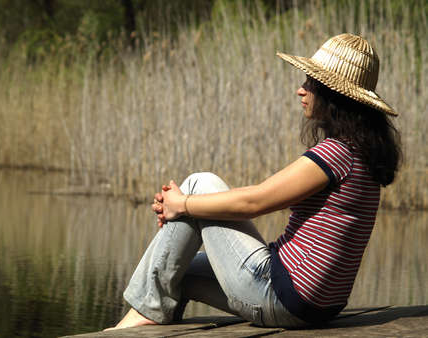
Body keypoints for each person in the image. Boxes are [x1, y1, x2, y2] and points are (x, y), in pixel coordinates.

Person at [106, 33, 402, 330]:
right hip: (316, 304)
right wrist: (182, 208)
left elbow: (254, 201)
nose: (300, 91)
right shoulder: (359, 155)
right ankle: (146, 314)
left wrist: (182, 204)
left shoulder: (337, 153)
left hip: (282, 294)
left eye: (310, 84)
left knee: (199, 183)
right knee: (173, 269)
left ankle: (139, 317)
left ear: (333, 95)